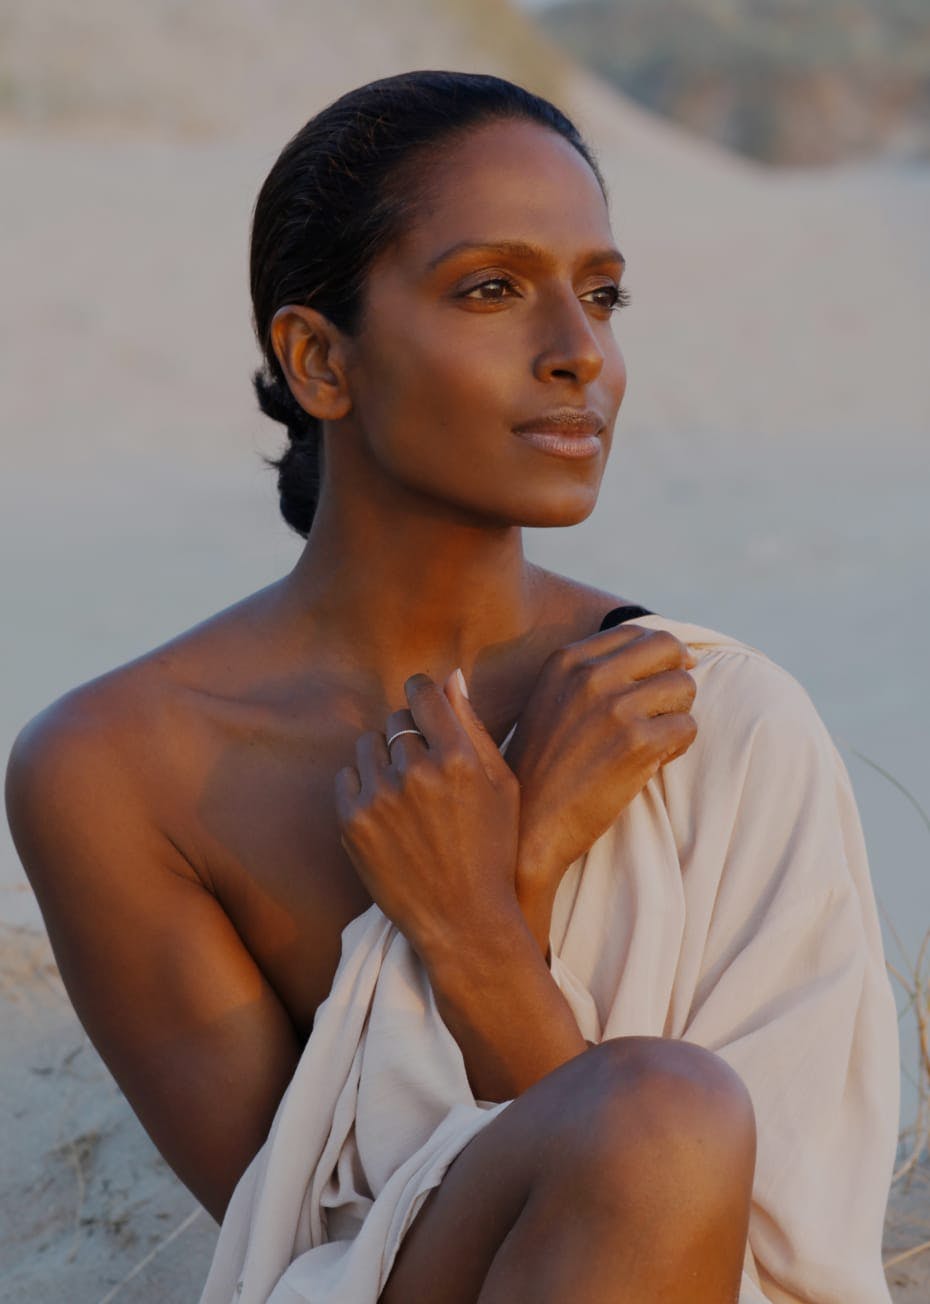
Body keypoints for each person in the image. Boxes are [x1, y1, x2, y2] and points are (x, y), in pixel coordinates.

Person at [4, 70, 898, 1304]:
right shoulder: (118, 771)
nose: (581, 354)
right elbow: (299, 1250)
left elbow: (776, 1260)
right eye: (492, 290)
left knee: (667, 1112)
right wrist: (505, 889)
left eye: (601, 294)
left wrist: (486, 920)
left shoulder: (717, 722)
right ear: (321, 358)